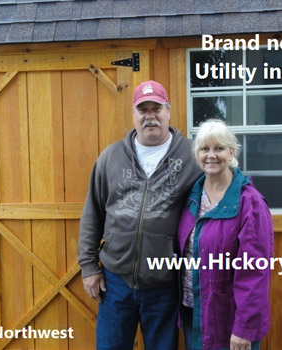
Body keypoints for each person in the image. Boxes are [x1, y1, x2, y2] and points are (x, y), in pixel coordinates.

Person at [78, 80, 202, 350]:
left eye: (156, 108)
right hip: (115, 280)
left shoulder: (193, 156)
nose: (150, 116)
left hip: (164, 282)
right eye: (142, 109)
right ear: (134, 115)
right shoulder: (110, 157)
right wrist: (88, 267)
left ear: (168, 111)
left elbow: (219, 191)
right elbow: (92, 214)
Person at [177, 119, 274, 350]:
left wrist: (244, 328)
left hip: (229, 321)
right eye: (204, 149)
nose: (211, 155)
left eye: (219, 148)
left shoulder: (249, 203)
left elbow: (255, 272)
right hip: (194, 314)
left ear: (231, 152)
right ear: (197, 154)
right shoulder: (190, 196)